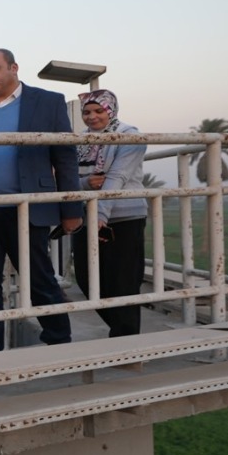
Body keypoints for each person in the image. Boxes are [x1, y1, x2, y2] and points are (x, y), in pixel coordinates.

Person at [0, 48, 82, 353]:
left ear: (14, 68)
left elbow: (64, 156)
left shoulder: (48, 102)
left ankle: (59, 344)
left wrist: (71, 208)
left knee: (39, 279)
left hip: (28, 209)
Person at [72, 90, 147, 337]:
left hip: (124, 217)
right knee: (86, 278)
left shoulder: (130, 135)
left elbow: (117, 177)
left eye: (98, 111)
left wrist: (100, 215)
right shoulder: (82, 141)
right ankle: (121, 330)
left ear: (111, 110)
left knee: (123, 282)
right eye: (86, 112)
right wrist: (85, 184)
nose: (92, 116)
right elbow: (72, 179)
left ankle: (125, 340)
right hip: (88, 216)